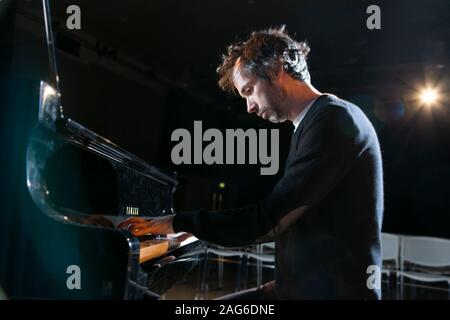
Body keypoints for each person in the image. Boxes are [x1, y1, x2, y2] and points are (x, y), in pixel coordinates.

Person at [119, 26, 384, 299]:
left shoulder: (333, 121)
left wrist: (176, 222)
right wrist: (187, 233)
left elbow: (268, 221)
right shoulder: (316, 121)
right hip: (300, 289)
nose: (249, 107)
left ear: (276, 68)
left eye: (249, 90)